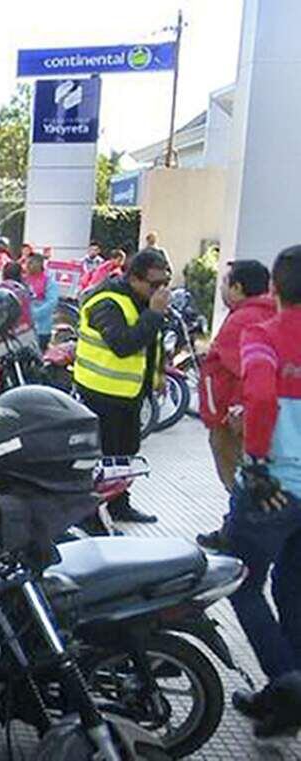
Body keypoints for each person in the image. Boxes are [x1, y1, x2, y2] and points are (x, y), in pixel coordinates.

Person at [227, 244, 301, 727]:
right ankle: (287, 689)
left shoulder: (265, 334)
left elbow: (258, 393)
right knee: (294, 588)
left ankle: (287, 686)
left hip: (273, 488)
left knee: (243, 583)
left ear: (274, 287)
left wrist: (255, 463)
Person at [73, 248, 172, 524]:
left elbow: (151, 344)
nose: (160, 290)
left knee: (125, 453)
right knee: (101, 458)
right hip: (100, 393)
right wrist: (154, 314)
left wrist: (157, 376)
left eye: (165, 283)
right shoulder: (106, 302)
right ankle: (91, 512)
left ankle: (119, 505)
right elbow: (123, 344)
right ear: (134, 279)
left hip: (129, 393)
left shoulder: (141, 301)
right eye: (154, 284)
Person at [197, 260, 275, 550]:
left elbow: (250, 371)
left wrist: (239, 409)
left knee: (239, 478)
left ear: (238, 287)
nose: (222, 289)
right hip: (238, 413)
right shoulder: (263, 314)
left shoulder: (245, 320)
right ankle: (235, 529)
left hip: (232, 418)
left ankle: (239, 534)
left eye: (224, 283)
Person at [24, 250, 61, 350]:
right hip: (24, 330)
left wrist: (34, 314)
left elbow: (52, 302)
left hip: (41, 328)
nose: (27, 266)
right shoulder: (23, 280)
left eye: (30, 263)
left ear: (39, 264)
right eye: (26, 263)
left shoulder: (49, 282)